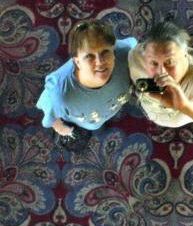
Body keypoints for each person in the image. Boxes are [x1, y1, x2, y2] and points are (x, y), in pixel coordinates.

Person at [36, 19, 137, 150]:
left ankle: (97, 125)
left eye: (105, 52)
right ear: (77, 62)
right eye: (89, 56)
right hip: (77, 121)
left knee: (97, 125)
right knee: (79, 141)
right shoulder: (60, 93)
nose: (100, 62)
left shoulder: (127, 52)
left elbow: (138, 48)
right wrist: (60, 127)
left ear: (114, 51)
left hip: (105, 111)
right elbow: (47, 109)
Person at [128, 21, 193, 137]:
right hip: (150, 111)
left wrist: (185, 106)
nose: (161, 73)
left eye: (169, 62)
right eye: (154, 63)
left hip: (184, 117)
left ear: (185, 54)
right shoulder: (135, 56)